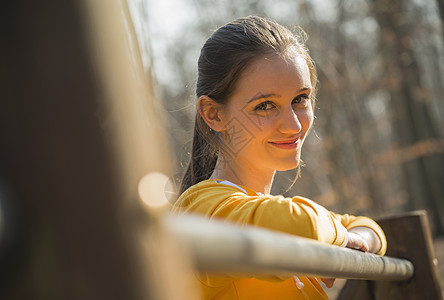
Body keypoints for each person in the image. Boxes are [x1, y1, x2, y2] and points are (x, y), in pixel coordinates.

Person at [172, 16, 386, 300]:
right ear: (214, 114)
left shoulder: (271, 215)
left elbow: (372, 230)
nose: (294, 126)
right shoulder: (200, 209)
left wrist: (352, 240)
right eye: (265, 106)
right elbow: (304, 226)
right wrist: (342, 238)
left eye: (300, 99)